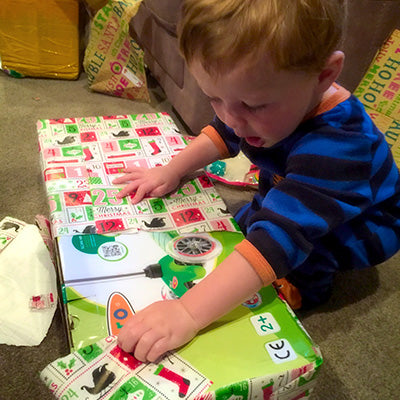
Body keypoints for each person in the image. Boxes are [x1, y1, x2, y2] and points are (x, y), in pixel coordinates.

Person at [114, 0, 400, 362]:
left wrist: (186, 312)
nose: (232, 119)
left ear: (325, 76)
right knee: (250, 222)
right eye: (214, 98)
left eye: (253, 106)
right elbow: (222, 134)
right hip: (289, 185)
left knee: (296, 253)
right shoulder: (257, 107)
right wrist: (171, 170)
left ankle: (303, 287)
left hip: (365, 226)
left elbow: (279, 240)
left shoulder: (341, 146)